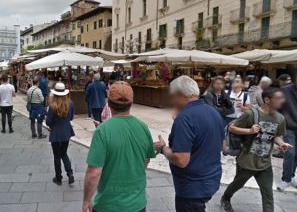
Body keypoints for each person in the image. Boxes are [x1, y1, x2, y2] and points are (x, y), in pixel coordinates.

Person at [154, 76, 224, 212]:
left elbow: (181, 160)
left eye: (172, 96)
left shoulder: (185, 118)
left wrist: (163, 148)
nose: (171, 100)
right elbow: (221, 145)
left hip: (192, 188)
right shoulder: (213, 112)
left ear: (180, 95)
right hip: (211, 180)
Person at [83, 81, 155, 212]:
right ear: (131, 103)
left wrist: (86, 201)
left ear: (108, 103)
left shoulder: (102, 130)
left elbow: (94, 173)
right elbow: (146, 160)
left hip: (108, 205)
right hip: (137, 204)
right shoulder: (143, 127)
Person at [221, 88, 292, 212]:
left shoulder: (280, 118)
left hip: (265, 164)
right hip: (247, 161)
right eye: (278, 98)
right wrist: (249, 131)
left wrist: (282, 144)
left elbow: (276, 135)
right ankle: (226, 198)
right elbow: (232, 128)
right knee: (237, 184)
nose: (282, 101)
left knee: (268, 196)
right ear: (267, 100)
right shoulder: (250, 114)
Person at [46, 82, 75, 186]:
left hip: (55, 133)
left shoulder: (52, 106)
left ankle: (58, 178)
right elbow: (71, 117)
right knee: (64, 153)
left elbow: (48, 122)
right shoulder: (70, 103)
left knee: (57, 156)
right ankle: (70, 173)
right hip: (66, 132)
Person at [278, 75, 297, 191]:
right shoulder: (285, 90)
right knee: (290, 152)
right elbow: (277, 106)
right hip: (289, 125)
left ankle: (291, 176)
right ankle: (286, 179)